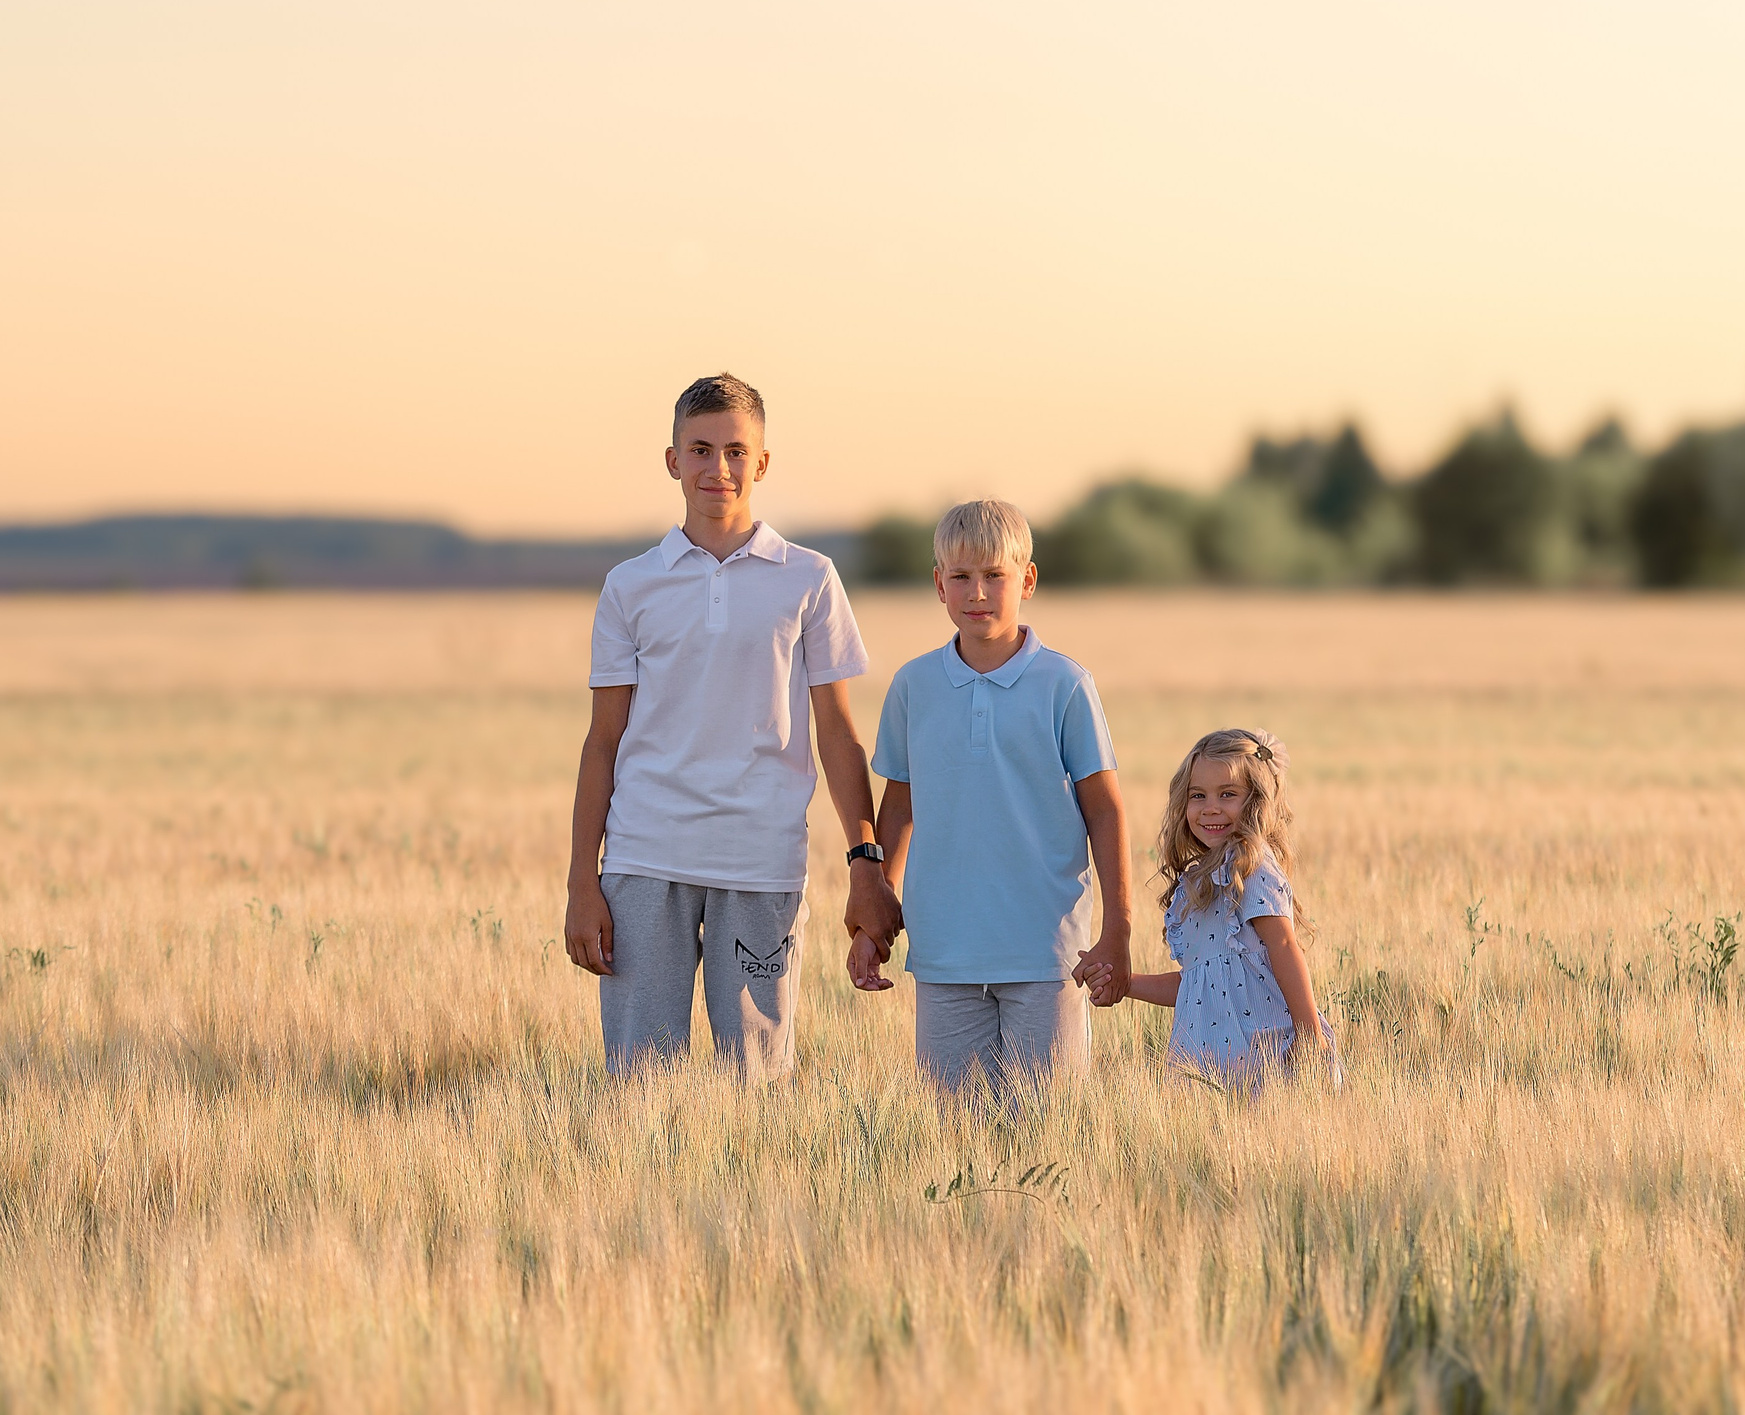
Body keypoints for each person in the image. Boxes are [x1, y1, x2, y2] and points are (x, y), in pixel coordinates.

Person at [564, 374, 877, 1079]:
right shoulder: (630, 585)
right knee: (637, 1086)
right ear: (673, 460)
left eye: (737, 451)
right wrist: (583, 881)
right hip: (644, 858)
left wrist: (866, 861)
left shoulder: (810, 579)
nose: (719, 468)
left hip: (760, 859)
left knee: (758, 1083)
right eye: (700, 450)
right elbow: (601, 741)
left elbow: (839, 735)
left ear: (763, 462)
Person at [845, 499, 1132, 1091]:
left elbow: (1105, 811)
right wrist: (878, 907)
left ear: (1027, 579)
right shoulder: (913, 685)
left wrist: (1119, 929)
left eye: (994, 576)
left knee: (1048, 1134)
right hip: (944, 952)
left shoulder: (1064, 684)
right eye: (961, 577)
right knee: (955, 1139)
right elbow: (900, 804)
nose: (978, 593)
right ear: (938, 586)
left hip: (1045, 953)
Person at [1079, 727, 1333, 1085]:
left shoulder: (1252, 868)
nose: (1210, 808)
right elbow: (1197, 985)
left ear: (1256, 801)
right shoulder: (1194, 888)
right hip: (1207, 1067)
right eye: (1198, 795)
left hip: (1268, 1059)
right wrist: (1124, 983)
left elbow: (1284, 946)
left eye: (1228, 794)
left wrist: (1310, 1037)